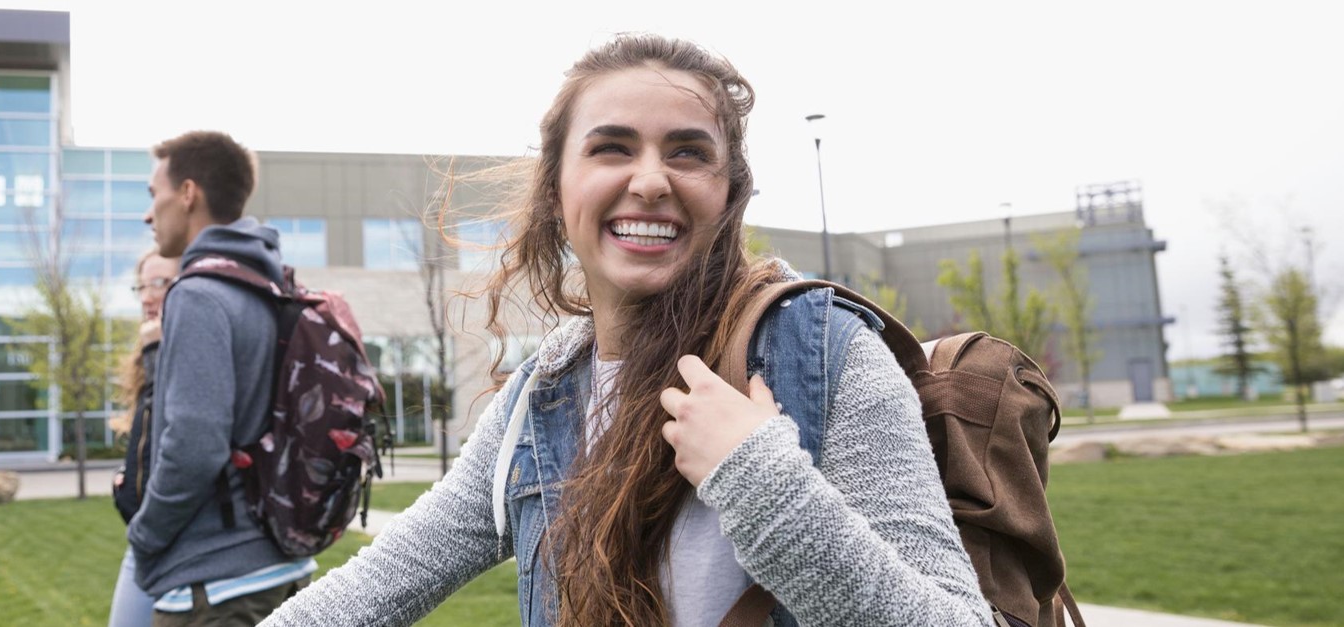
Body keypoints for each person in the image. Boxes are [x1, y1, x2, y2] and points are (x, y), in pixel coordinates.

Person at [262, 35, 993, 626]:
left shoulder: (828, 355)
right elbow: (374, 586)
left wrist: (763, 482)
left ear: (729, 191)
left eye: (687, 152)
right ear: (556, 189)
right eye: (612, 147)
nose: (650, 180)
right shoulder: (539, 398)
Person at [129, 130, 310, 626]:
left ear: (187, 194)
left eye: (154, 195)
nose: (149, 214)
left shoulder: (198, 294)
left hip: (217, 589)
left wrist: (143, 535)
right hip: (283, 568)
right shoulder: (270, 284)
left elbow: (194, 444)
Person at [107, 249, 182, 627]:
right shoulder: (146, 353)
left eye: (160, 283)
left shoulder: (182, 351)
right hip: (146, 538)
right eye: (141, 286)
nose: (147, 297)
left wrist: (156, 350)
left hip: (176, 543)